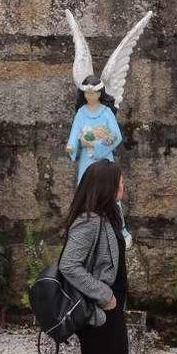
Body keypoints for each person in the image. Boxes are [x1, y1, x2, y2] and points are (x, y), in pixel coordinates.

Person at [59, 160, 130, 354]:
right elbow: (68, 266)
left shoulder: (108, 216)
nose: (124, 185)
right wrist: (105, 295)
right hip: (98, 315)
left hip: (114, 313)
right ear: (106, 186)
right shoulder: (89, 222)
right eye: (120, 181)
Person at [66, 75, 132, 248]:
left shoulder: (106, 112)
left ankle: (119, 229)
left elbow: (116, 136)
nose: (90, 97)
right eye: (87, 94)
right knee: (85, 192)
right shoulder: (81, 113)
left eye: (93, 93)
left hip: (103, 159)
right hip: (86, 162)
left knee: (111, 192)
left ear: (100, 92)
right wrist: (72, 146)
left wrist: (97, 146)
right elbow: (75, 134)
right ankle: (85, 229)